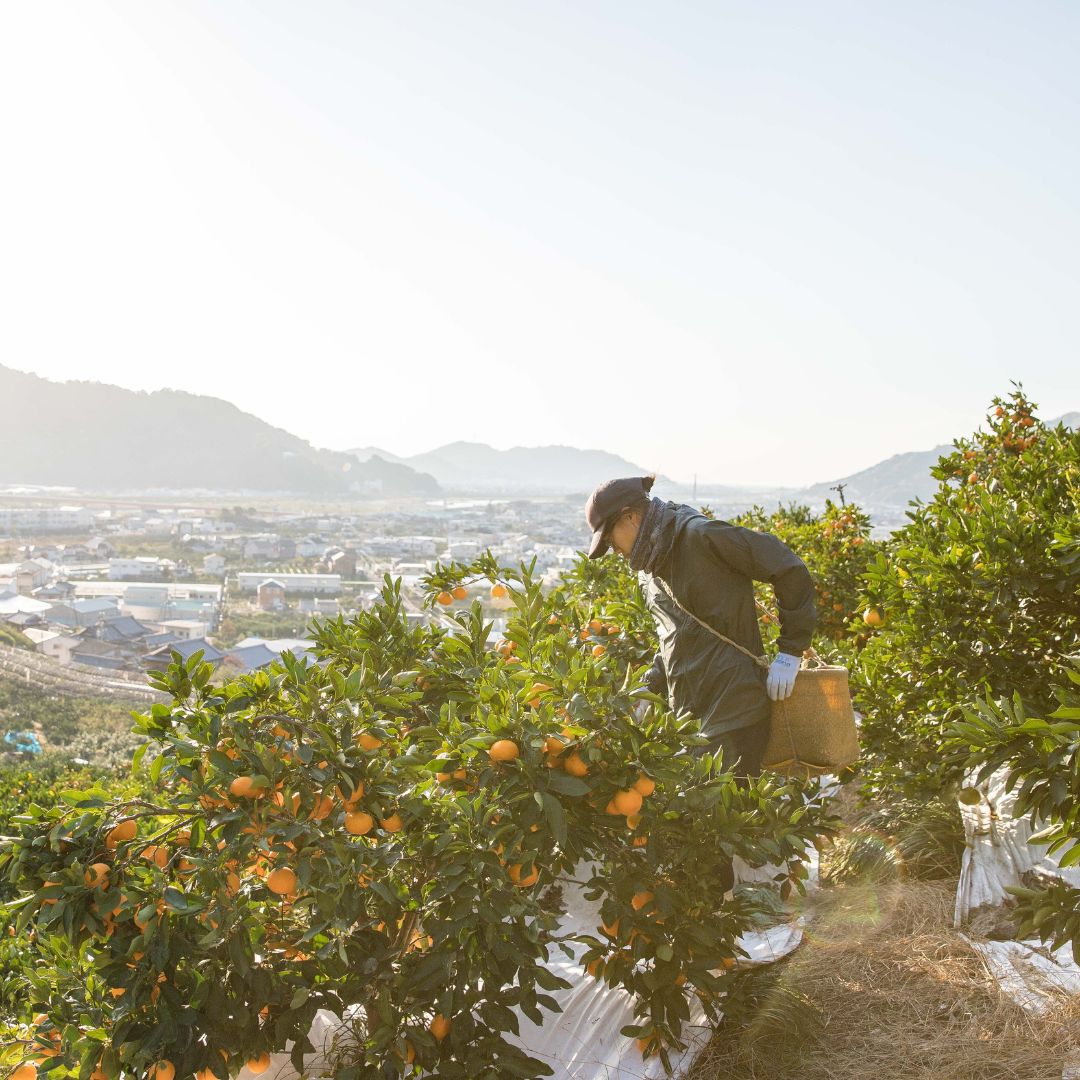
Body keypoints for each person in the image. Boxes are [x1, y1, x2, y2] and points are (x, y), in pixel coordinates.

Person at [584, 474, 816, 779]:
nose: (613, 548)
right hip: (692, 719)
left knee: (732, 817)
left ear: (629, 517)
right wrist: (651, 685)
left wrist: (790, 651)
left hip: (736, 710)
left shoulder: (699, 535)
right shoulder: (650, 570)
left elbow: (787, 567)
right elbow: (677, 636)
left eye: (610, 538)